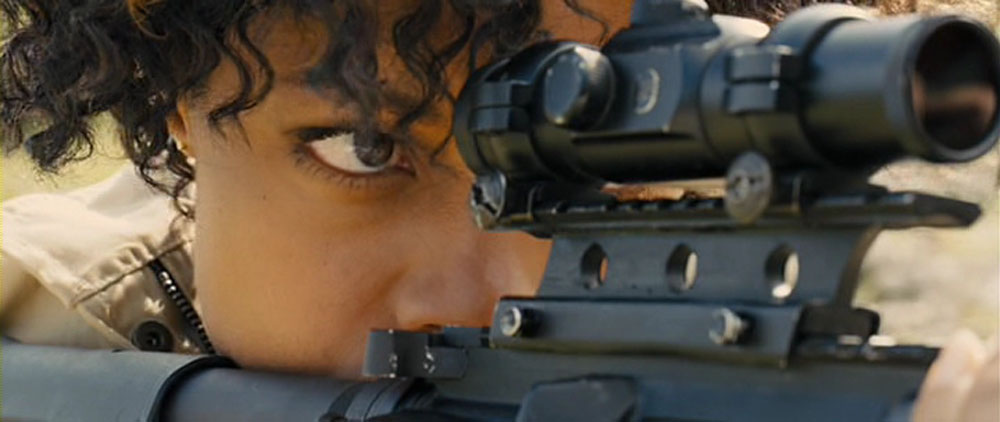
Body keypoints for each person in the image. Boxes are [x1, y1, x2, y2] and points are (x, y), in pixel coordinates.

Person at [0, 1, 995, 420]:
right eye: (365, 150)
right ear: (175, 101)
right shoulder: (33, 330)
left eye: (619, 176)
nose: (516, 286)